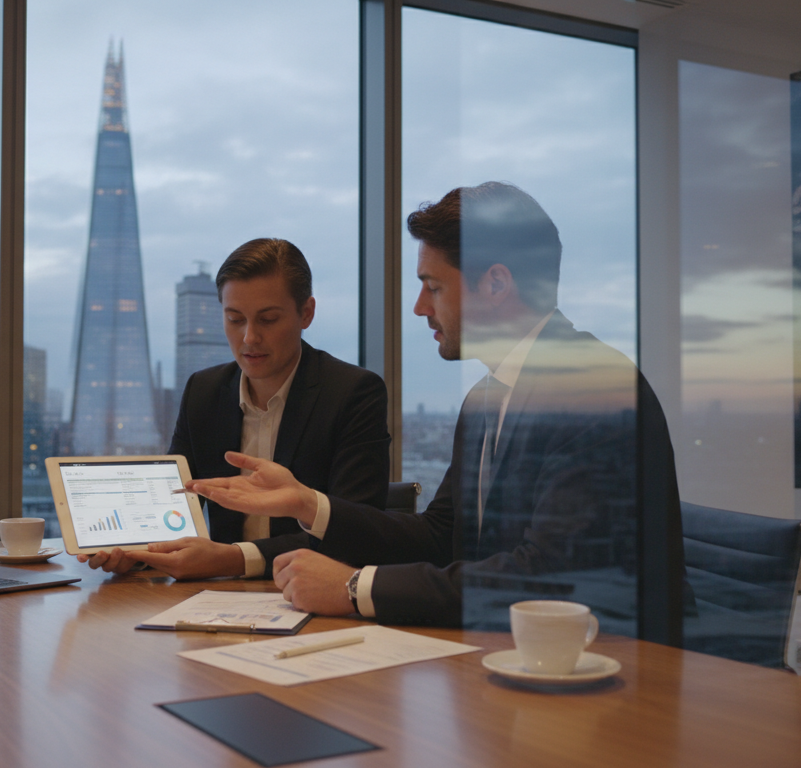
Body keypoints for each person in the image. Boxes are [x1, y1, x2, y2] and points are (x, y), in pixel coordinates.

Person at [178, 183, 685, 632]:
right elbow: (441, 537)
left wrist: (357, 588)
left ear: (496, 283)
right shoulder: (487, 397)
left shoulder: (593, 389)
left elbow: (547, 575)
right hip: (513, 658)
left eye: (433, 286)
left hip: (618, 673)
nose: (420, 307)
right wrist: (306, 504)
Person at [81, 238, 391, 579]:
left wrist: (234, 559)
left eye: (268, 319)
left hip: (316, 595)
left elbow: (356, 533)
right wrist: (138, 551)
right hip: (218, 596)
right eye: (234, 319)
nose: (249, 338)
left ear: (306, 313)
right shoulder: (204, 390)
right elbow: (176, 508)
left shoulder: (352, 393)